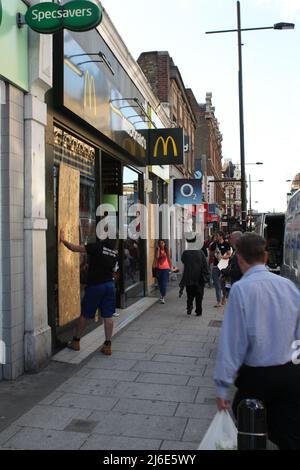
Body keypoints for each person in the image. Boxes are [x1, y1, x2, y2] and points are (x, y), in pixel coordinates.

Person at [214, 233, 300, 450]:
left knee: (250, 430)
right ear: (266, 256)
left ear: (240, 258)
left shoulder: (242, 289)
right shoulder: (288, 286)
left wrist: (223, 387)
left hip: (257, 376)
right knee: (288, 436)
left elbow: (232, 343)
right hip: (290, 374)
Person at [60, 229, 119, 356]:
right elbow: (114, 271)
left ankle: (76, 342)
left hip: (96, 286)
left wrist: (64, 240)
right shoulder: (114, 254)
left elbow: (75, 248)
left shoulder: (97, 247)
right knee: (108, 316)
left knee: (85, 314)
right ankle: (108, 345)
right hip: (109, 286)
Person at [179, 235, 210, 316]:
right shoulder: (201, 253)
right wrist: (207, 276)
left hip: (189, 277)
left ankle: (189, 306)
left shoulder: (186, 253)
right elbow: (205, 265)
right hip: (199, 278)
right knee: (199, 295)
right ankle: (198, 310)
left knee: (189, 294)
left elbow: (183, 261)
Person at [209, 232, 231, 307]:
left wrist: (222, 257)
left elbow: (229, 254)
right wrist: (214, 253)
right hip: (215, 266)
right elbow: (211, 255)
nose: (216, 237)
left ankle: (224, 297)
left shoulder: (226, 244)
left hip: (224, 266)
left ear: (221, 236)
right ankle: (218, 301)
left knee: (223, 285)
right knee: (217, 284)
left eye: (217, 235)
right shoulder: (213, 244)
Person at [220, 231, 243, 297]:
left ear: (236, 239)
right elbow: (231, 264)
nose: (229, 240)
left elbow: (237, 270)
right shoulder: (235, 250)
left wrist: (225, 272)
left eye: (230, 238)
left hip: (238, 283)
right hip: (233, 282)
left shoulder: (241, 251)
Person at [153, 239, 171, 304]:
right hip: (158, 269)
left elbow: (169, 259)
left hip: (166, 269)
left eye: (162, 243)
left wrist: (170, 268)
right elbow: (157, 257)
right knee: (160, 283)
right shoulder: (157, 250)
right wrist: (158, 249)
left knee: (164, 283)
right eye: (160, 243)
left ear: (164, 243)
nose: (161, 244)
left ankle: (163, 297)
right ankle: (162, 294)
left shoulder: (166, 250)